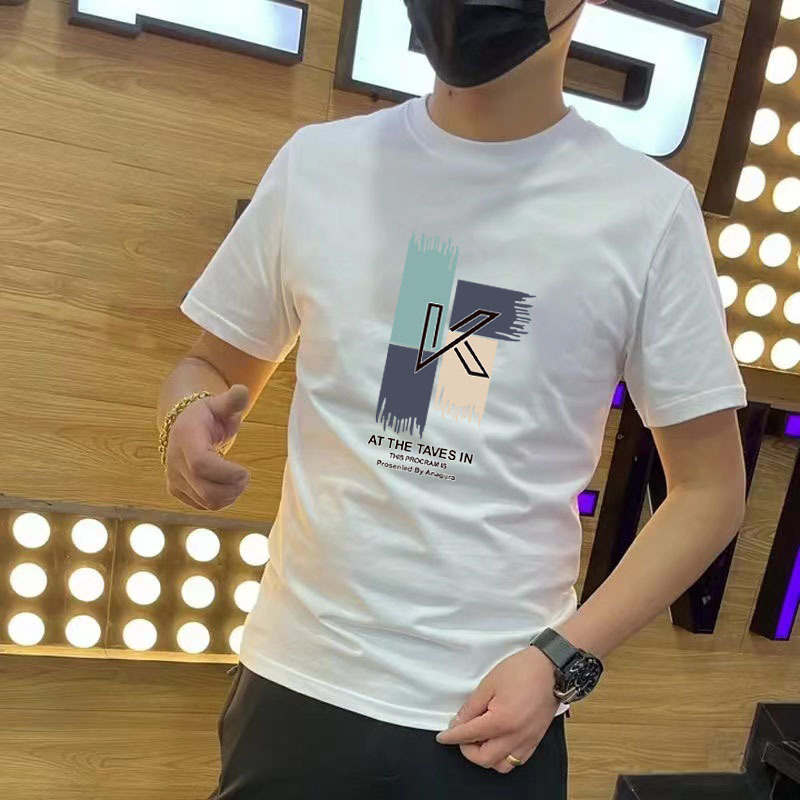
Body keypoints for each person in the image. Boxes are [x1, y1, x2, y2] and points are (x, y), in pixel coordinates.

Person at [156, 1, 749, 797]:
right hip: (296, 683)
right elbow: (205, 364)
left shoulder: (646, 212)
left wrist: (561, 662)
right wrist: (183, 422)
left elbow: (711, 492)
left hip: (492, 718)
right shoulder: (319, 166)